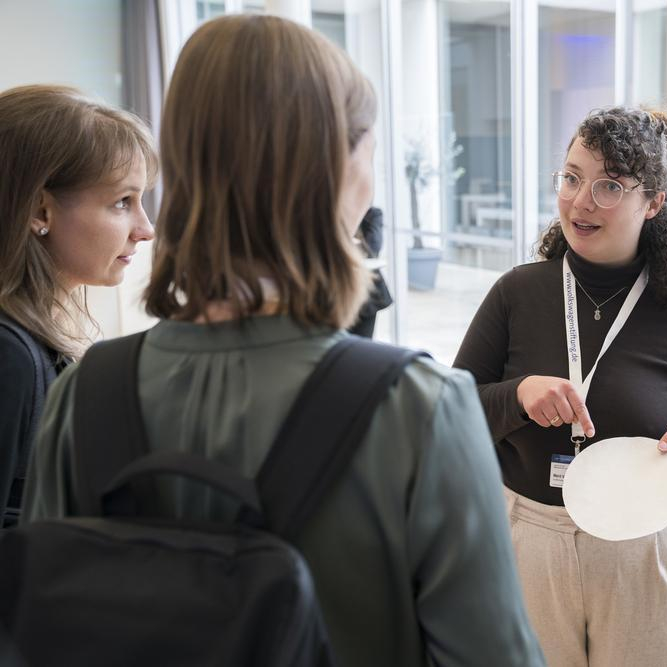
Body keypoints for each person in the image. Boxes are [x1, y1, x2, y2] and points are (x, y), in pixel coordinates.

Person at [22, 15, 543, 667]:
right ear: (333, 171)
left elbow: (46, 632)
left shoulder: (82, 394)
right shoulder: (420, 407)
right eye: (367, 153)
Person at [453, 106, 667, 666]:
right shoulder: (517, 294)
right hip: (529, 536)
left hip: (652, 547)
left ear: (654, 203)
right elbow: (452, 410)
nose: (580, 201)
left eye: (609, 185)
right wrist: (517, 395)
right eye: (571, 177)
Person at [0, 85, 156, 527]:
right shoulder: (9, 356)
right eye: (122, 202)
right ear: (40, 211)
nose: (146, 229)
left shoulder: (31, 344)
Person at [348, 206, 393, 338]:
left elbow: (373, 248)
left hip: (366, 294)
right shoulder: (327, 213)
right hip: (334, 291)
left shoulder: (372, 214)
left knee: (363, 345)